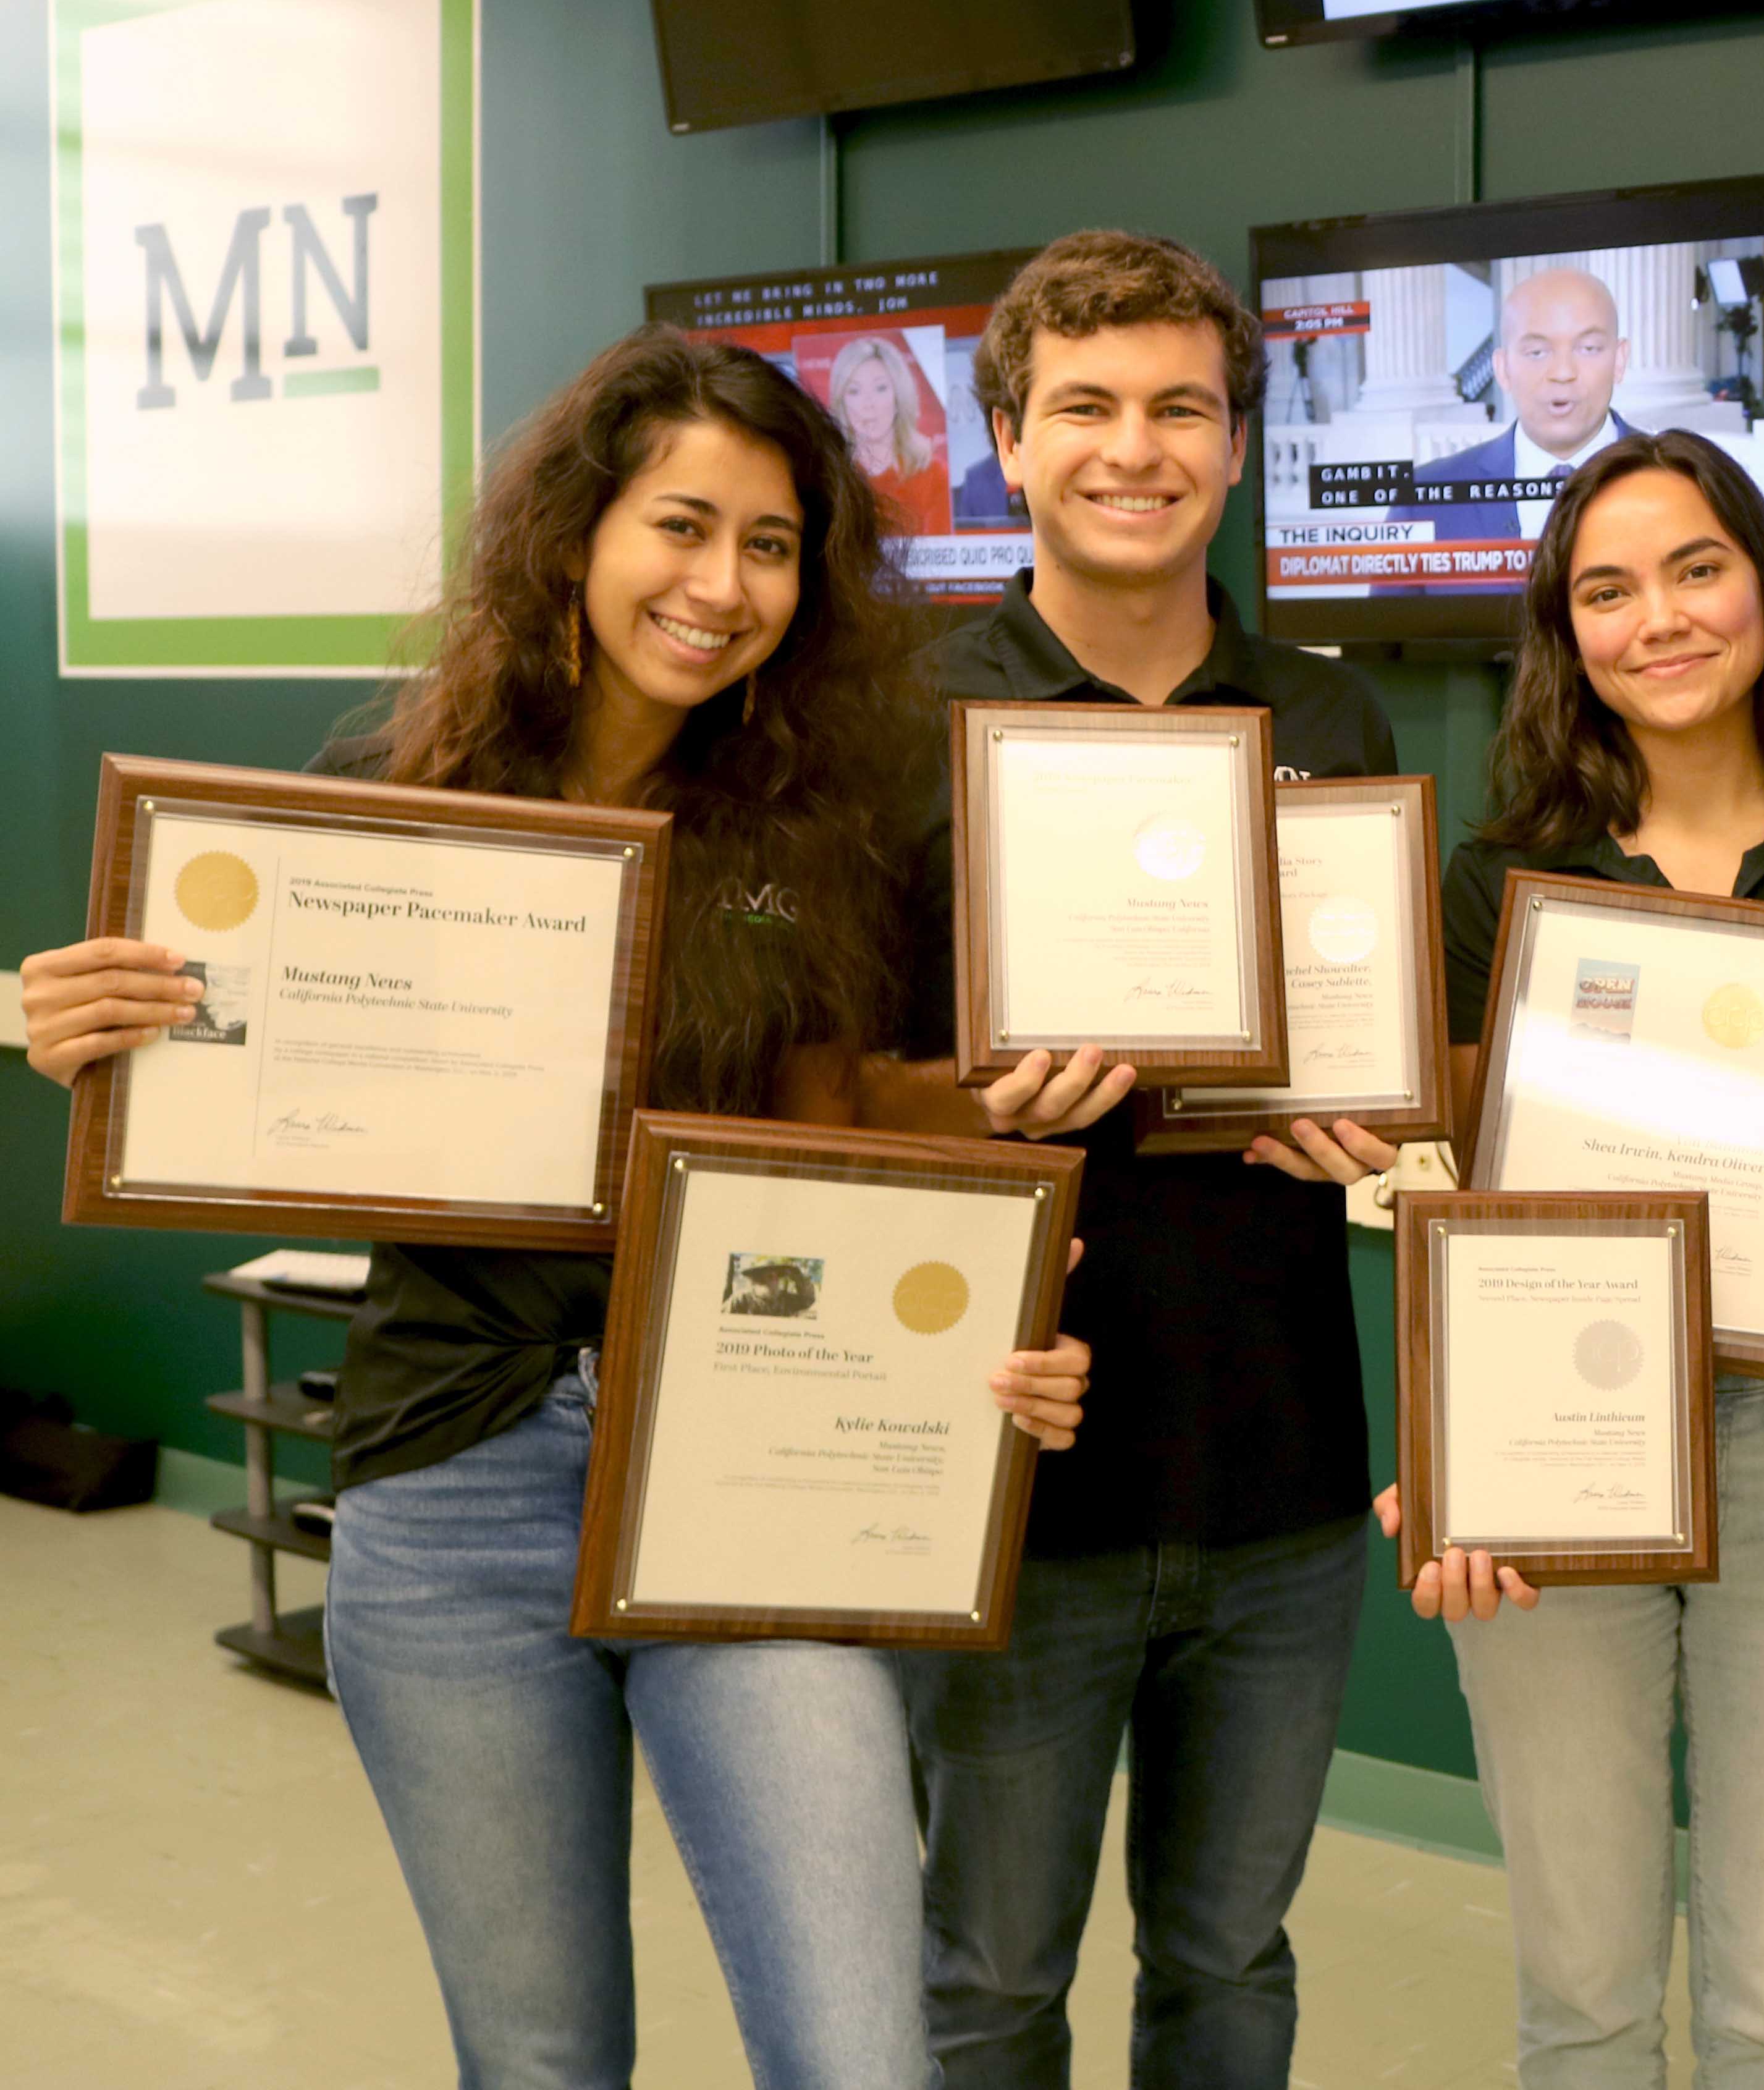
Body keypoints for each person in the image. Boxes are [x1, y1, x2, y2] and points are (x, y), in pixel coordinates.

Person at [17, 328, 1091, 2090]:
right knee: (536, 2063)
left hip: (742, 1478)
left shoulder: (823, 839)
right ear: (581, 533)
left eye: (769, 546)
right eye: (682, 524)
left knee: (860, 2057)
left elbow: (840, 1148)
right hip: (456, 1481)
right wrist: (103, 1035)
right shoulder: (387, 810)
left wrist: (991, 1329)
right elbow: (220, 1071)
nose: (720, 583)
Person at [856, 229, 1403, 2090]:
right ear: (1007, 436)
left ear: (1238, 445)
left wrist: (1368, 1117)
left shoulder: (1330, 715)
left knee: (1230, 1961)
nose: (1133, 446)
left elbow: (1372, 1033)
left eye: (1180, 405)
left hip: (1283, 1465)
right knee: (992, 1979)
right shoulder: (895, 720)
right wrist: (971, 1107)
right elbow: (824, 1090)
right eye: (1081, 405)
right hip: (1021, 1468)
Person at [1389, 427, 1764, 2085]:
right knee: (1580, 2003)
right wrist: (1458, 1464)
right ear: (1564, 634)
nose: (1657, 617)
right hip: (1563, 1450)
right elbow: (1464, 1214)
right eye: (1606, 588)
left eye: (1696, 568)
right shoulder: (1499, 884)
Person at [1413, 267, 1645, 543]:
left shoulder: (1685, 480)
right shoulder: (1424, 497)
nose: (1562, 372)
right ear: (1503, 369)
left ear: (1619, 360)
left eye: (1588, 348)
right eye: (1537, 352)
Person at [827, 330, 952, 538]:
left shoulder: (934, 476)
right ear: (842, 403)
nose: (869, 404)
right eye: (854, 391)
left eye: (880, 388)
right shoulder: (829, 480)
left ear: (899, 397)